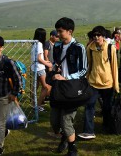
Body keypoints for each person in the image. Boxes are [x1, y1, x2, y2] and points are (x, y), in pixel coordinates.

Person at [48, 17, 87, 156]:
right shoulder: (57, 46)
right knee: (54, 120)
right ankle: (65, 136)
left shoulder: (79, 48)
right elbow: (54, 63)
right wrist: (53, 71)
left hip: (71, 88)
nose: (58, 34)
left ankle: (72, 148)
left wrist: (67, 77)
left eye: (60, 31)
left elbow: (83, 70)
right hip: (58, 88)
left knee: (66, 120)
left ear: (70, 31)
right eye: (57, 31)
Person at [78, 26, 119, 140]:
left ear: (103, 36)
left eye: (98, 35)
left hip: (108, 83)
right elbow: (89, 66)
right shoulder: (90, 49)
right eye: (94, 35)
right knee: (89, 105)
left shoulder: (111, 48)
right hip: (93, 83)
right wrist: (86, 79)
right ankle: (88, 131)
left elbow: (114, 67)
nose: (96, 37)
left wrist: (116, 86)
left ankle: (107, 125)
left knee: (107, 107)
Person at [31, 28, 53, 112]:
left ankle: (33, 104)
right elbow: (39, 58)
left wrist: (45, 61)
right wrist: (47, 64)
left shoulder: (34, 43)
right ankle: (38, 105)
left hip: (34, 67)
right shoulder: (39, 44)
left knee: (35, 87)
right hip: (40, 68)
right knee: (46, 87)